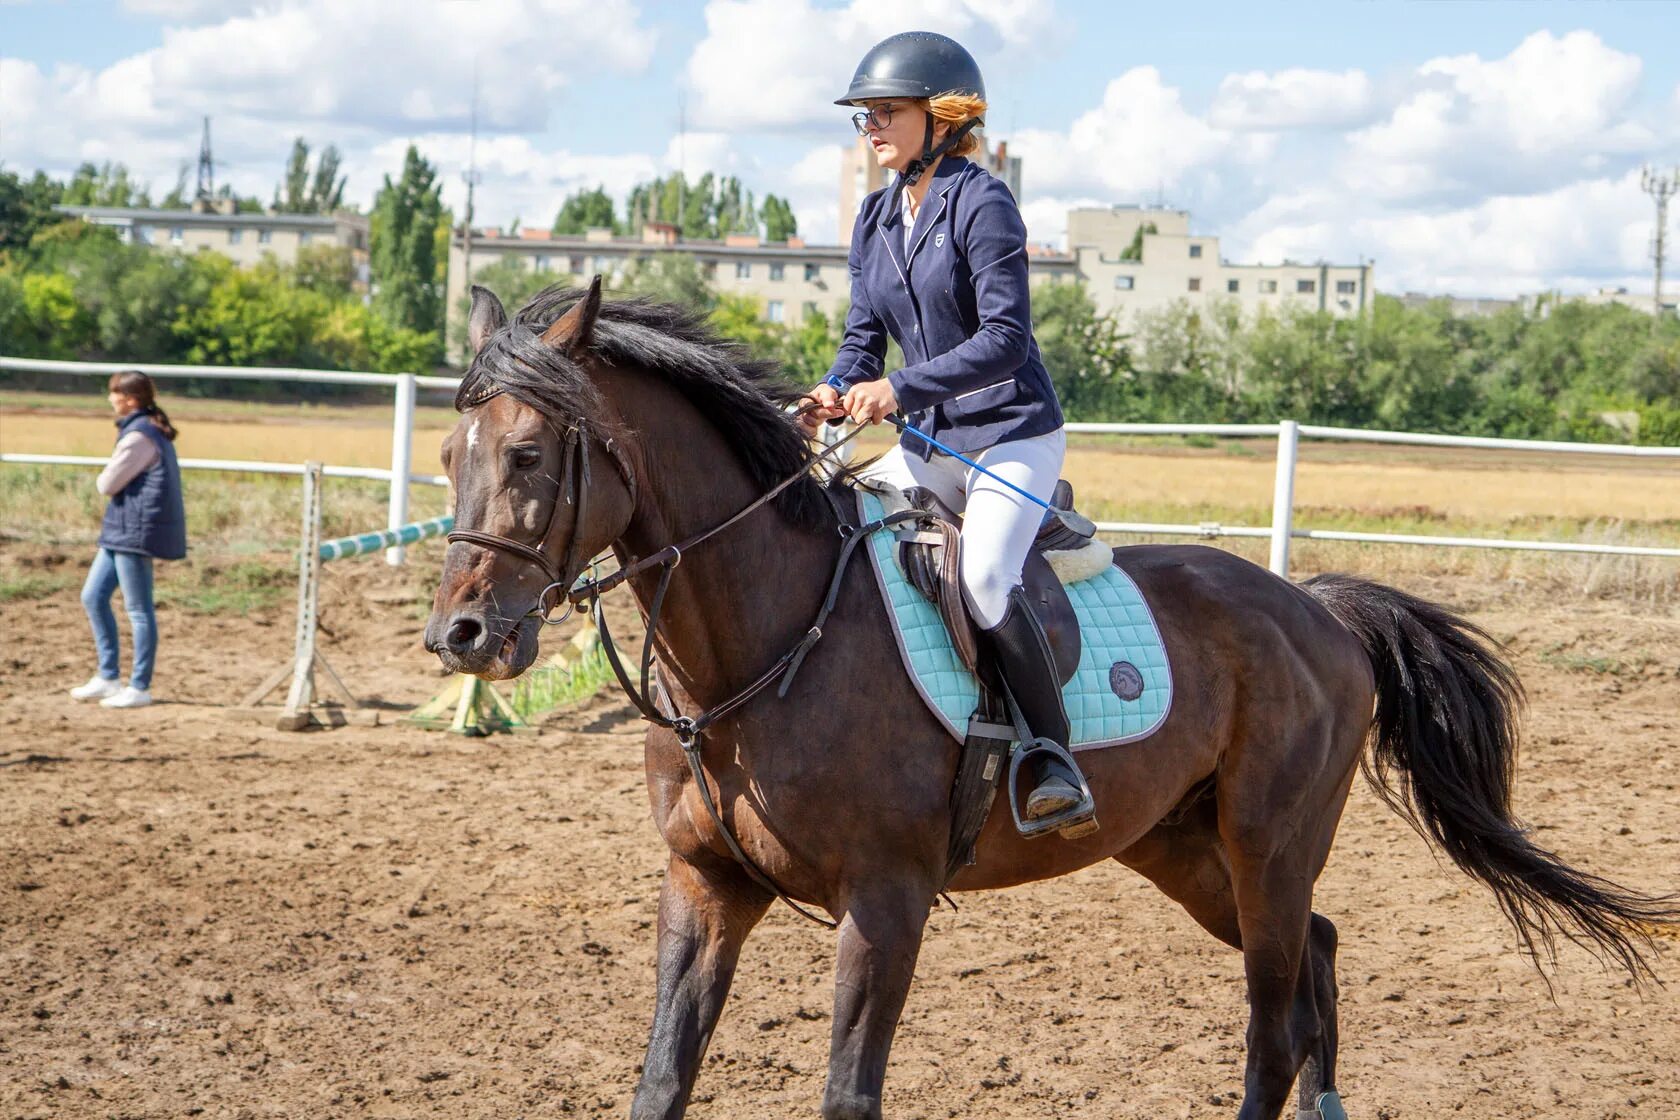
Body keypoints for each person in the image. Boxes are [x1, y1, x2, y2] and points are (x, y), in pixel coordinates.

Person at [801, 31, 1095, 836]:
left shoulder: (983, 201)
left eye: (886, 112)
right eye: (864, 116)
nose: (871, 129)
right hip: (929, 449)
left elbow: (1004, 340)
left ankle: (1050, 754)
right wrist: (835, 387)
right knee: (841, 542)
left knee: (986, 579)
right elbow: (864, 335)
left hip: (1008, 439)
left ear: (944, 116)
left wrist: (898, 387)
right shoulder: (875, 216)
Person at [69, 371, 187, 709]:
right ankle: (108, 677)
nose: (110, 399)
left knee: (138, 609)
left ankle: (139, 685)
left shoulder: (139, 436)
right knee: (93, 596)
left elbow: (107, 483)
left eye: (114, 393)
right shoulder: (147, 429)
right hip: (122, 529)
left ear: (130, 400)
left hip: (134, 530)